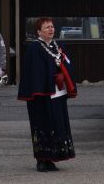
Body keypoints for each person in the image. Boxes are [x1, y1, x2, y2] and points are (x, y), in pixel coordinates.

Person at [18, 17, 77, 171]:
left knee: (56, 125)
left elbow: (67, 64)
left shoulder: (58, 46)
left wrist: (63, 74)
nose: (51, 29)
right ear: (39, 31)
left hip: (57, 93)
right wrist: (53, 75)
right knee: (43, 125)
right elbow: (35, 72)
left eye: (52, 27)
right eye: (47, 27)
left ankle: (52, 158)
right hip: (41, 95)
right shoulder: (34, 48)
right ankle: (41, 160)